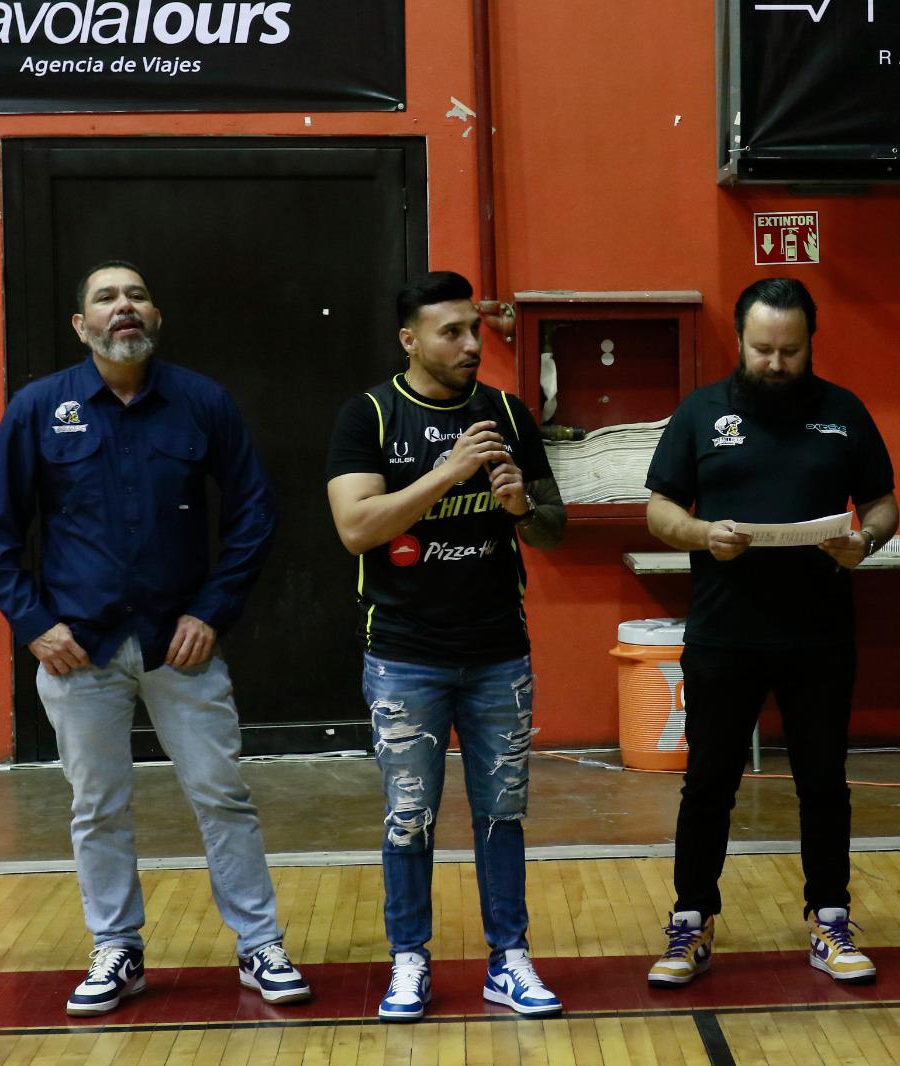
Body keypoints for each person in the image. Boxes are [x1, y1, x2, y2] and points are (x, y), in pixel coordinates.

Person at [0, 260, 308, 1016]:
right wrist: (35, 625)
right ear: (81, 325)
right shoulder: (38, 409)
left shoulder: (201, 403)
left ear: (156, 317)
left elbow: (254, 511)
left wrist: (213, 611)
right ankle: (116, 948)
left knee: (222, 796)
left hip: (181, 646)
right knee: (97, 806)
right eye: (106, 298)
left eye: (137, 295)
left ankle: (259, 944)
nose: (124, 306)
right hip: (78, 649)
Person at [642, 277, 899, 987]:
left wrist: (865, 541)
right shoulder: (701, 413)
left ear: (811, 343)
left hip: (819, 635)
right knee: (708, 783)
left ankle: (830, 918)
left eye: (790, 350)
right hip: (725, 632)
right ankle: (691, 921)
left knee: (824, 782)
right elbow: (659, 510)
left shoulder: (844, 412)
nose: (776, 363)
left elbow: (883, 505)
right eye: (763, 349)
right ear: (739, 341)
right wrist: (702, 533)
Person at [325, 271, 567, 1020]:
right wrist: (450, 473)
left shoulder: (507, 412)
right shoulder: (369, 414)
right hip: (404, 654)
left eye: (474, 329)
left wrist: (522, 507)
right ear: (410, 340)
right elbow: (357, 528)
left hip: (499, 651)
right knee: (409, 815)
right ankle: (409, 960)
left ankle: (509, 959)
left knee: (502, 811)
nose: (471, 345)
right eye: (451, 332)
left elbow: (554, 528)